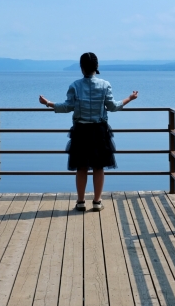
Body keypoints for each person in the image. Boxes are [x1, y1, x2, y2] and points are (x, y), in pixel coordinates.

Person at [39, 52, 138, 212]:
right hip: (99, 130)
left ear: (81, 67)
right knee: (99, 167)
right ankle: (97, 202)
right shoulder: (105, 85)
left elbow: (67, 107)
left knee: (81, 167)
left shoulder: (75, 86)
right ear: (96, 66)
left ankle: (80, 201)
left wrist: (48, 103)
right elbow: (113, 107)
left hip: (80, 131)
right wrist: (129, 98)